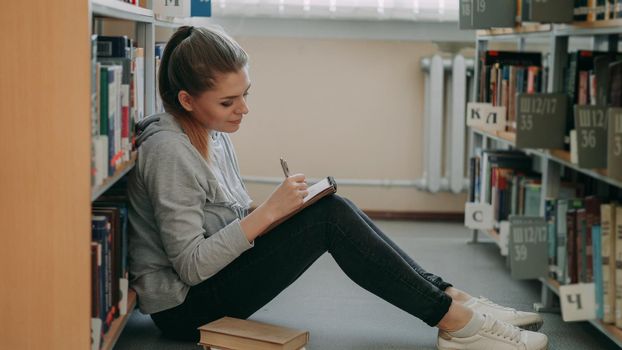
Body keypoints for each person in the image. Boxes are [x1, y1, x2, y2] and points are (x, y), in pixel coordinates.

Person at [127, 25, 548, 350]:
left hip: (215, 280)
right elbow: (191, 266)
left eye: (245, 94)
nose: (244, 109)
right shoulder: (169, 152)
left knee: (331, 207)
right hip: (186, 309)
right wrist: (269, 213)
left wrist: (284, 210)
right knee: (330, 219)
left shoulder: (211, 133)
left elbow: (229, 219)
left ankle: (453, 299)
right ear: (186, 100)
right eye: (228, 102)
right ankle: (454, 322)